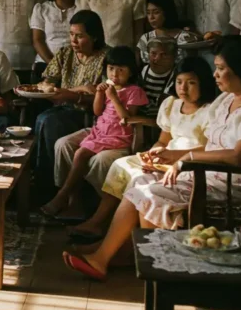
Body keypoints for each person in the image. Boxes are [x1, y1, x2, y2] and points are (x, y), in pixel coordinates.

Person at [63, 36, 241, 281]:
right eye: (216, 68)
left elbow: (239, 156)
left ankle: (155, 267)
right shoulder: (226, 100)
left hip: (237, 183)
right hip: (209, 171)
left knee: (153, 193)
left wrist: (186, 158)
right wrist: (168, 154)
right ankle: (113, 251)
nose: (216, 75)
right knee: (140, 180)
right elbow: (210, 145)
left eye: (221, 69)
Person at [69, 57, 216, 240]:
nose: (183, 89)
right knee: (121, 166)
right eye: (179, 82)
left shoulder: (211, 110)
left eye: (191, 83)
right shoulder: (172, 104)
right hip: (165, 156)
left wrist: (174, 158)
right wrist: (153, 153)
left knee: (138, 177)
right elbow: (163, 140)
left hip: (191, 162)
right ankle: (100, 221)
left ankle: (127, 234)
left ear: (204, 83)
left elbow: (212, 147)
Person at [42, 46, 148, 217]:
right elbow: (97, 111)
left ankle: (62, 196)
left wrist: (114, 97)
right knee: (63, 144)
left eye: (121, 70)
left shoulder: (134, 91)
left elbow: (127, 119)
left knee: (81, 154)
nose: (115, 74)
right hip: (100, 131)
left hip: (117, 135)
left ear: (131, 71)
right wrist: (100, 94)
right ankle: (72, 199)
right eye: (111, 69)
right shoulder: (107, 87)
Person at [31, 10, 109, 185]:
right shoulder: (65, 53)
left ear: (94, 37)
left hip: (91, 114)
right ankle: (40, 178)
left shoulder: (106, 57)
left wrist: (70, 95)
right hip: (62, 107)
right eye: (71, 34)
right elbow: (45, 84)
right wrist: (77, 90)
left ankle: (50, 183)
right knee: (41, 117)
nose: (73, 40)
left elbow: (103, 94)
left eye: (80, 36)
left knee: (48, 120)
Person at [30, 0, 78, 78]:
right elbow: (37, 40)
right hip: (45, 63)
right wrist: (53, 64)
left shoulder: (80, 7)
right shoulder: (42, 9)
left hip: (75, 65)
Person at [136, 0, 198, 64]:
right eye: (148, 13)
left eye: (156, 12)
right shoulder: (146, 38)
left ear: (167, 12)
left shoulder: (185, 37)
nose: (151, 17)